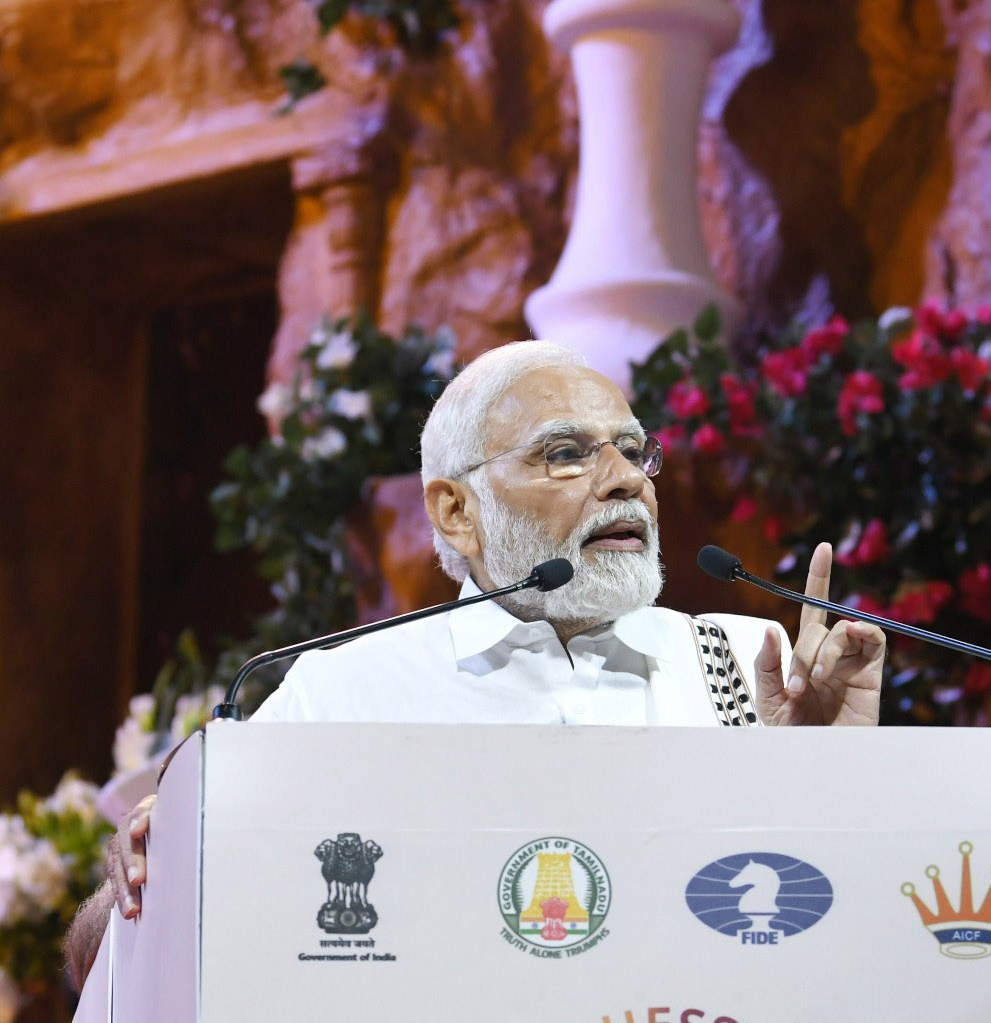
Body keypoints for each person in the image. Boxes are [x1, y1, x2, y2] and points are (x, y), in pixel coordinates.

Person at [65, 341, 884, 987]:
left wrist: (836, 782)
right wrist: (142, 883)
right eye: (567, 452)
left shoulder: (750, 666)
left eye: (635, 452)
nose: (627, 481)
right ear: (456, 511)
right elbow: (106, 963)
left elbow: (853, 934)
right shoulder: (343, 692)